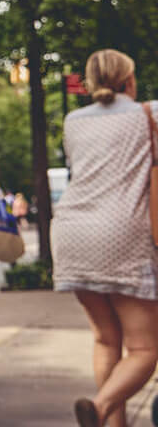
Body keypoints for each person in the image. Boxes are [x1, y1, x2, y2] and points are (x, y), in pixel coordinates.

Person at [52, 49, 158, 427]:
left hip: (71, 232)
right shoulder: (150, 114)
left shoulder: (73, 121)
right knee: (144, 348)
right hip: (121, 233)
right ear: (129, 80)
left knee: (105, 340)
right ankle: (100, 407)